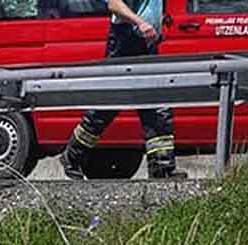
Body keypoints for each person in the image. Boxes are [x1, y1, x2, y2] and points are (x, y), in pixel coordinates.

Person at [58, 0, 187, 181]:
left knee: (156, 104)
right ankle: (72, 156)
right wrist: (140, 22)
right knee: (107, 105)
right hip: (125, 42)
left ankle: (162, 167)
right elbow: (114, 4)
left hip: (146, 42)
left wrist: (157, 24)